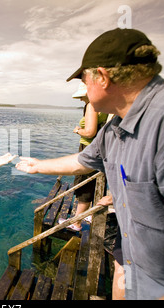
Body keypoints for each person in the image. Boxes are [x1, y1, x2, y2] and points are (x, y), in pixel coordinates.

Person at [16, 28, 164, 300]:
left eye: (83, 79)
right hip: (134, 259)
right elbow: (84, 160)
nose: (84, 89)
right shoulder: (116, 125)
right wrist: (38, 165)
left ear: (101, 77)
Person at [63, 83, 108, 231]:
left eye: (82, 96)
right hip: (98, 148)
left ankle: (76, 222)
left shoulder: (91, 105)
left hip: (88, 147)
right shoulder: (103, 105)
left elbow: (89, 132)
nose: (81, 100)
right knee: (94, 182)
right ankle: (89, 214)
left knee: (83, 184)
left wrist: (77, 130)